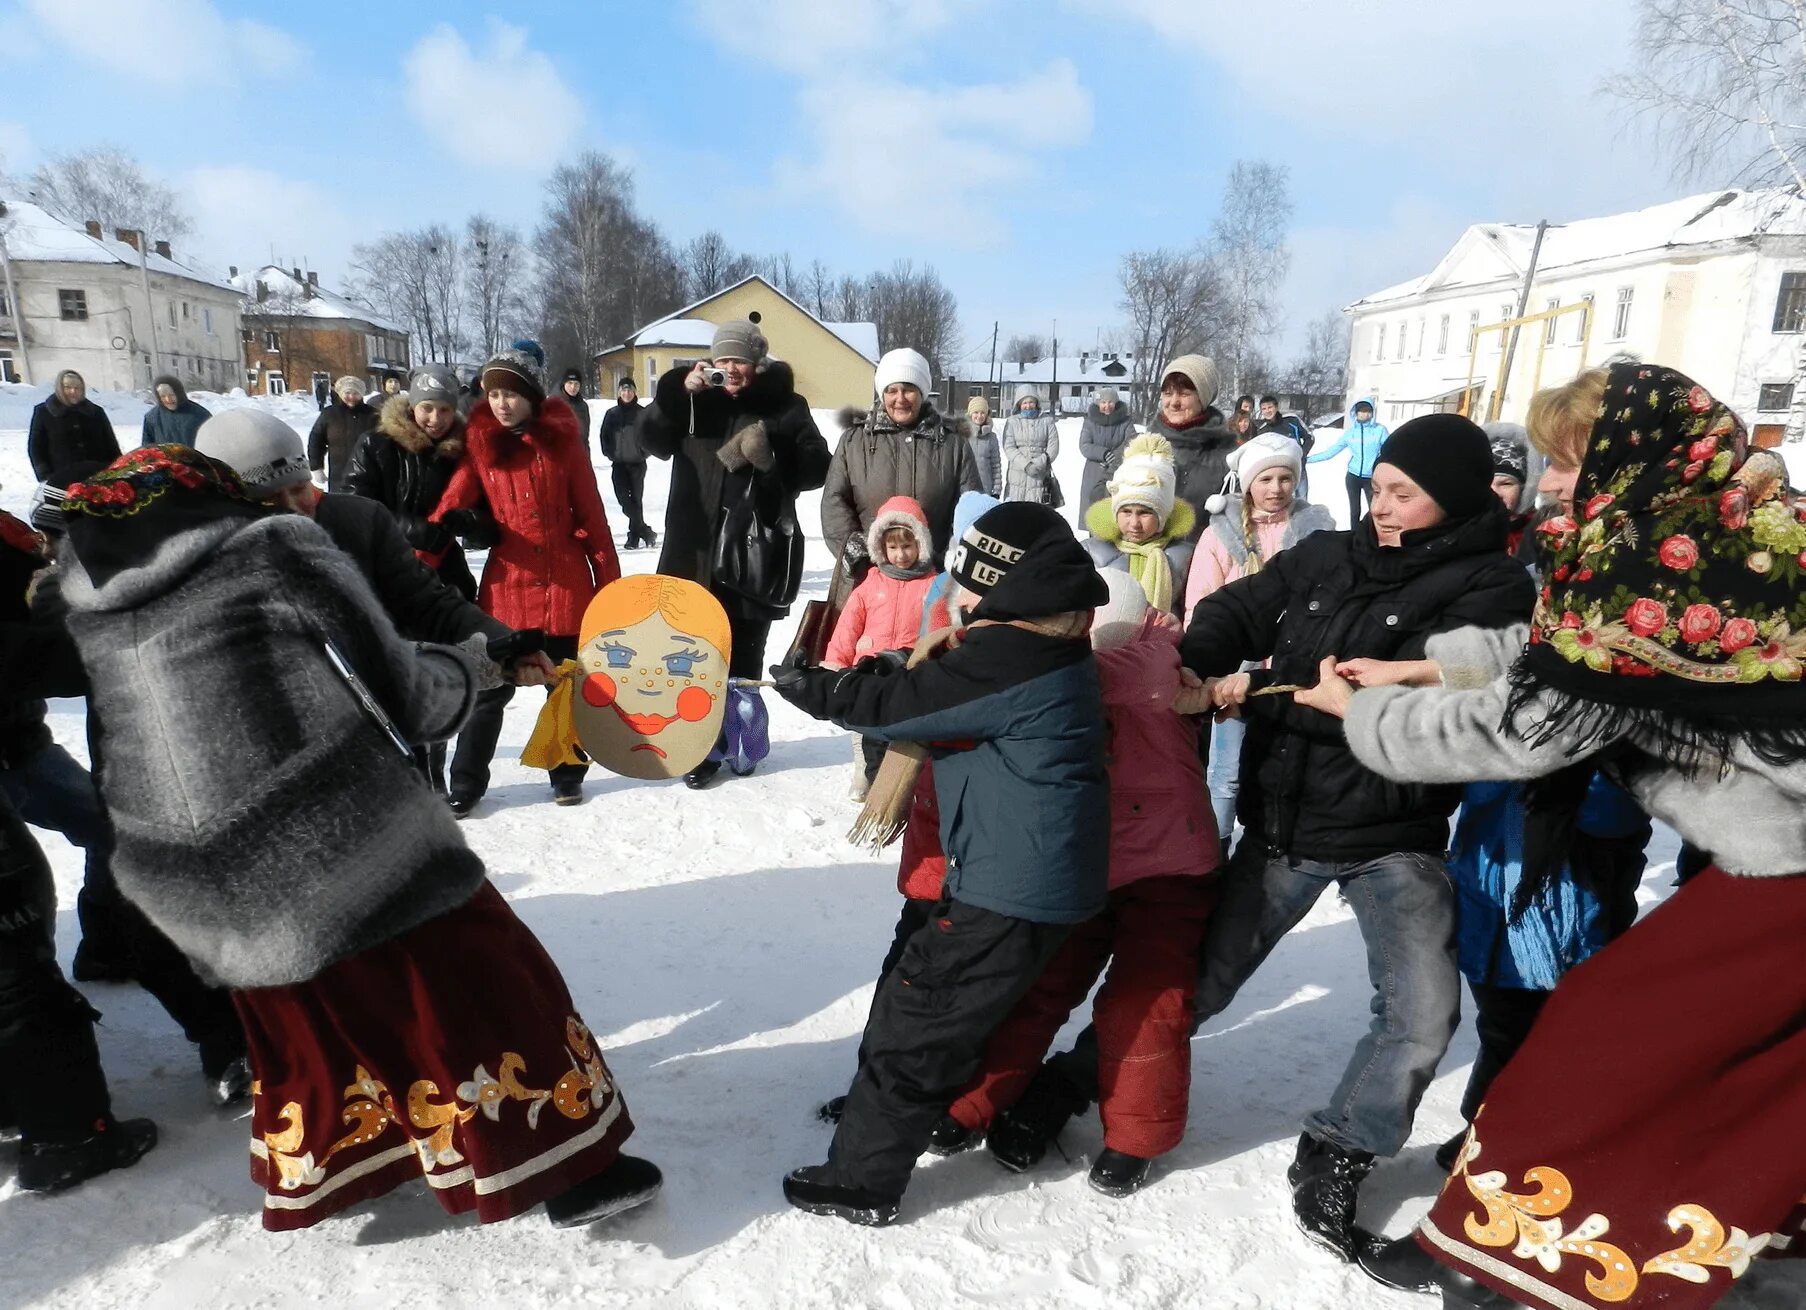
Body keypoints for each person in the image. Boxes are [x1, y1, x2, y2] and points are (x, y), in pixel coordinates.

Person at [52, 444, 660, 1233]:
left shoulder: (95, 598)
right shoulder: (271, 549)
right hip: (329, 831)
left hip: (189, 873)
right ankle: (572, 1168)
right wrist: (484, 668)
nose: (303, 498)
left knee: (317, 1014)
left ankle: (372, 1160)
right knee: (482, 982)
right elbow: (405, 695)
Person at [988, 415, 1535, 1263]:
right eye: (1378, 486)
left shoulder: (1493, 585)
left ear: (1454, 501)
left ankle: (1343, 1146)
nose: (1380, 506)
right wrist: (1203, 665)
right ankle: (1072, 1080)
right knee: (1196, 986)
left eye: (1402, 494)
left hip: (1398, 829)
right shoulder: (1330, 554)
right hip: (1285, 819)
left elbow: (1487, 670)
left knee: (1424, 1012)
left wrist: (1384, 682)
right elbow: (1242, 606)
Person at [1330, 363, 1806, 1310]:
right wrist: (1428, 666)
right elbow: (1568, 646)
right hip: (1771, 858)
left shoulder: (1663, 560)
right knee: (1737, 1065)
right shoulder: (1714, 534)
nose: (1548, 483)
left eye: (1565, 460)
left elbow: (1533, 729)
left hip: (1785, 876)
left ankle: (1509, 1252)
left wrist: (1362, 714)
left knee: (1592, 1038)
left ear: (1626, 459)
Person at [772, 501, 1109, 1226]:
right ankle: (900, 1117)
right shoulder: (1039, 640)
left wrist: (818, 687)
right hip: (1027, 873)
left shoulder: (1011, 654)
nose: (958, 597)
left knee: (916, 1022)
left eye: (972, 585)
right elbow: (940, 678)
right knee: (937, 1009)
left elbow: (899, 705)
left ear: (1005, 586)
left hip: (1010, 883)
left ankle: (861, 1181)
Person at [942, 572, 1221, 1197]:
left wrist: (1024, 666)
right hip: (1082, 859)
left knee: (1145, 998)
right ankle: (971, 1103)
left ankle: (1136, 1137)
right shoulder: (1049, 657)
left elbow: (1138, 676)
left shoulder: (1161, 653)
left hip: (1168, 864)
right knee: (1035, 984)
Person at [1, 494, 250, 1105]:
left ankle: (221, 1029)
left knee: (114, 859)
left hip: (32, 746)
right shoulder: (76, 599)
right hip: (73, 761)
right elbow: (51, 660)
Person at [423, 341, 620, 813]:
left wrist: (610, 590)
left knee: (567, 686)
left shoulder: (564, 444)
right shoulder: (480, 446)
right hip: (506, 592)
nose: (502, 403)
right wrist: (408, 567)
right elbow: (448, 511)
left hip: (567, 586)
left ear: (531, 395)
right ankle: (467, 783)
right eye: (493, 395)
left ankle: (567, 773)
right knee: (488, 692)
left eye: (511, 393)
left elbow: (593, 519)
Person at [639, 319, 831, 788]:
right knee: (696, 654)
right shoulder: (694, 400)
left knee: (744, 656)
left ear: (757, 362)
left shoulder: (785, 405)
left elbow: (817, 466)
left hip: (754, 550)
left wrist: (773, 458)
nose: (730, 369)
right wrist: (674, 394)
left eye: (739, 360)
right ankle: (703, 747)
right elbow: (649, 441)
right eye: (723, 360)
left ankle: (745, 742)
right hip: (693, 549)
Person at [1187, 432, 1336, 839]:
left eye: (1285, 478)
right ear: (1248, 482)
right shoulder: (1221, 533)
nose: (1276, 489)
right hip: (1235, 672)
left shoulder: (1317, 535)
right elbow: (1201, 600)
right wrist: (1203, 660)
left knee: (1285, 764)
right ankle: (1216, 847)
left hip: (1294, 668)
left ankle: (1275, 842)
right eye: (1265, 479)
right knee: (1228, 770)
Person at [822, 347, 979, 614]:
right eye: (892, 390)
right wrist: (861, 553)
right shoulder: (854, 440)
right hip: (866, 580)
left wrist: (946, 558)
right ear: (882, 393)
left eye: (909, 389)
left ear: (922, 392)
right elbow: (834, 500)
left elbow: (970, 508)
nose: (900, 399)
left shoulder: (953, 445)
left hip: (933, 580)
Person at [823, 496, 952, 798]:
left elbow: (940, 627)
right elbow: (848, 627)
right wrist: (835, 663)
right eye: (892, 547)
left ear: (921, 544)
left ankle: (897, 783)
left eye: (907, 546)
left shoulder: (932, 584)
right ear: (881, 547)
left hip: (908, 670)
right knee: (867, 728)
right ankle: (867, 775)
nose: (901, 555)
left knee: (899, 730)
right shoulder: (870, 584)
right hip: (868, 669)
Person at [346, 364, 488, 601]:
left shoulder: (465, 452)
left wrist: (471, 521)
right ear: (412, 406)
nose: (436, 419)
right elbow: (353, 509)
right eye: (427, 408)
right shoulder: (376, 445)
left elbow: (488, 522)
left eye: (445, 409)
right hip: (386, 575)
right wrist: (414, 530)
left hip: (445, 575)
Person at [1082, 434, 1197, 614]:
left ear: (1163, 516)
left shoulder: (1185, 556)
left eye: (1145, 513)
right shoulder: (1090, 552)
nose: (1134, 523)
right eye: (1126, 512)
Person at [1143, 356, 1237, 541]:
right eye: (1168, 394)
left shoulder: (1229, 455)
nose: (1174, 402)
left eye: (1184, 394)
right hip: (1144, 558)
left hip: (1203, 558)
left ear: (1203, 398)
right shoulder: (1142, 445)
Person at [1308, 397, 1388, 526]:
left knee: (1375, 510)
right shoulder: (1350, 434)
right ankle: (1354, 538)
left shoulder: (1380, 430)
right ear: (1355, 413)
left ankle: (1375, 538)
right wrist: (1307, 460)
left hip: (1372, 478)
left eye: (1368, 411)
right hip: (1353, 477)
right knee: (1354, 511)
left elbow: (1389, 450)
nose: (1365, 414)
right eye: (1361, 411)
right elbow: (1331, 452)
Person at [28, 371, 121, 480]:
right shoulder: (44, 412)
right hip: (61, 479)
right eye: (67, 387)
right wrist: (45, 476)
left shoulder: (95, 412)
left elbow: (111, 444)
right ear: (59, 388)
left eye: (78, 388)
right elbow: (35, 448)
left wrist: (118, 471)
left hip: (98, 478)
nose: (73, 391)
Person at [599, 376, 656, 549]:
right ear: (619, 392)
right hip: (619, 464)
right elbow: (604, 436)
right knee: (624, 499)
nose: (627, 393)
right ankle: (646, 531)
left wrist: (643, 452)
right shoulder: (612, 414)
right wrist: (609, 453)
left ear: (635, 392)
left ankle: (633, 537)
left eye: (630, 390)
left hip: (637, 464)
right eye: (624, 390)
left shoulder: (642, 413)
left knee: (636, 501)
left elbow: (650, 436)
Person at [307, 376, 381, 493]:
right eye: (347, 393)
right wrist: (316, 467)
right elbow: (316, 440)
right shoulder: (329, 414)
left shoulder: (373, 415)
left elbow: (383, 442)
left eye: (355, 393)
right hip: (338, 477)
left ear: (361, 394)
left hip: (369, 476)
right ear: (340, 393)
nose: (351, 397)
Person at [1077, 386, 1137, 512]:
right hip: (1094, 472)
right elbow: (1085, 445)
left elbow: (1132, 441)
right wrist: (1103, 453)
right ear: (1098, 404)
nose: (1107, 406)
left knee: (1116, 511)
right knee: (1094, 511)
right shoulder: (1089, 422)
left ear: (1116, 403)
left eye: (1110, 402)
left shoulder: (1125, 422)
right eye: (1103, 402)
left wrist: (1115, 456)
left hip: (1118, 471)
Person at [999, 393, 1062, 506]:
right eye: (1025, 402)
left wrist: (1039, 463)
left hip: (1040, 477)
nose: (1028, 405)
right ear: (1019, 404)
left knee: (1036, 517)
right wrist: (1026, 465)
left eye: (1031, 402)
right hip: (1017, 477)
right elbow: (1009, 447)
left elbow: (1053, 446)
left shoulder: (1047, 421)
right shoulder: (1012, 422)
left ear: (1036, 403)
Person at [140, 375, 211, 447]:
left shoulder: (200, 415)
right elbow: (147, 449)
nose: (168, 399)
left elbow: (212, 444)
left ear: (179, 393)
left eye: (171, 395)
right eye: (163, 396)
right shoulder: (152, 418)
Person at [965, 396, 1002, 497]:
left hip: (986, 489)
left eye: (982, 413)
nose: (979, 416)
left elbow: (996, 465)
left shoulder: (991, 437)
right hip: (966, 489)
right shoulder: (963, 435)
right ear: (970, 414)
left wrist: (996, 490)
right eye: (976, 412)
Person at [559, 368, 592, 442]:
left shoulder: (583, 406)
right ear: (564, 383)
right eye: (570, 383)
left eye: (576, 384)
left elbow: (585, 437)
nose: (573, 387)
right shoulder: (555, 404)